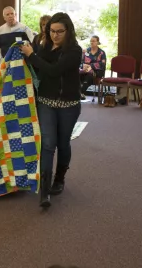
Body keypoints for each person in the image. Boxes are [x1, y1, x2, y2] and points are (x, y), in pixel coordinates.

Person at [21, 12, 82, 208]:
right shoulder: (44, 46)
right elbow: (39, 69)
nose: (55, 35)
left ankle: (59, 179)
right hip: (46, 102)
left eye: (60, 31)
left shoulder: (75, 51)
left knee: (63, 144)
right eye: (52, 31)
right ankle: (44, 190)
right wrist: (26, 57)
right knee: (48, 144)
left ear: (68, 31)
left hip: (68, 106)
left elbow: (54, 71)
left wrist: (32, 55)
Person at [0, 6, 34, 74]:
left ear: (15, 15)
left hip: (23, 64)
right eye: (7, 14)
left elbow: (33, 45)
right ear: (4, 17)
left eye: (12, 14)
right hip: (6, 64)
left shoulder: (24, 28)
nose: (10, 16)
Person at [80, 35, 106, 100]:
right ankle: (78, 93)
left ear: (97, 42)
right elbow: (81, 61)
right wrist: (83, 65)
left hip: (97, 71)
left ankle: (80, 92)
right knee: (77, 73)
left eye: (93, 41)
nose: (92, 42)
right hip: (85, 70)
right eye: (91, 41)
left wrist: (91, 66)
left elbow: (102, 64)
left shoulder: (101, 53)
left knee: (89, 75)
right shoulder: (86, 51)